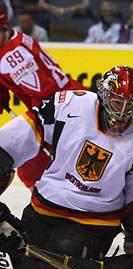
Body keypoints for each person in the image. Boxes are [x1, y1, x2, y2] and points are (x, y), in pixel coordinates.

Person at [0, 65, 133, 269]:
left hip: (93, 227)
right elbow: (17, 137)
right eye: (117, 102)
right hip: (41, 213)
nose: (123, 111)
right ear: (104, 95)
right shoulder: (68, 105)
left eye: (129, 104)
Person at [0, 7, 87, 192]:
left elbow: (44, 92)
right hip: (68, 98)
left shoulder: (13, 56)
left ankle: (46, 209)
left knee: (29, 164)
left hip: (64, 106)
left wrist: (47, 130)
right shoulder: (14, 40)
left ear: (4, 29)